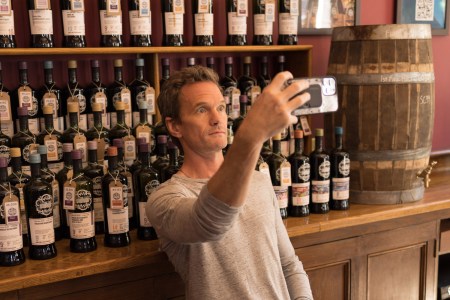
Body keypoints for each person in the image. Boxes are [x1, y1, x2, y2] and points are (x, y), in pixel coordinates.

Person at [146, 65, 313, 299]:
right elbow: (209, 222)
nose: (217, 119)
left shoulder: (260, 182)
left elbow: (289, 264)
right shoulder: (165, 199)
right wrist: (252, 135)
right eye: (202, 110)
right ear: (175, 126)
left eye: (221, 108)